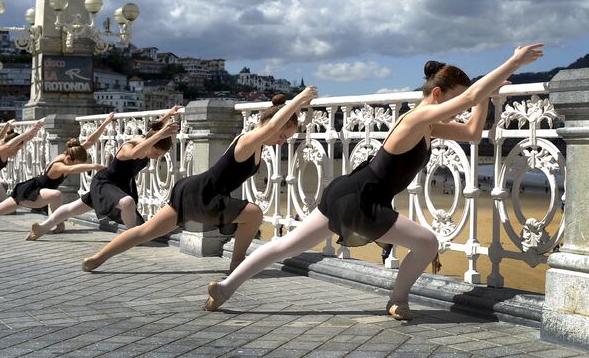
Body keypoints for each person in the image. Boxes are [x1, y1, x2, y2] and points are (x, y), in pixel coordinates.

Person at [202, 44, 544, 319]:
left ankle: (226, 287)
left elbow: (471, 133)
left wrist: (483, 95)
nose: (458, 107)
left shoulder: (425, 125)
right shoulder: (417, 117)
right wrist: (512, 62)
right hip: (362, 199)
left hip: (346, 191)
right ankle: (398, 300)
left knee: (286, 246)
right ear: (437, 94)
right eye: (453, 100)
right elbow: (468, 101)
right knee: (426, 243)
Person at [81, 89, 316, 273]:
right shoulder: (249, 141)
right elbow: (274, 124)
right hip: (205, 194)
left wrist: (301, 108)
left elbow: (276, 124)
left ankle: (97, 258)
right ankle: (237, 265)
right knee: (254, 213)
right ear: (272, 126)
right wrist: (299, 98)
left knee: (145, 231)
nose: (283, 141)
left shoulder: (254, 139)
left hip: (192, 189)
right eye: (284, 136)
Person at [25, 109, 175, 241]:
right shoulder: (129, 147)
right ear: (152, 143)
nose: (156, 157)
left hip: (119, 185)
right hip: (105, 183)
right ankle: (132, 238)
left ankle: (42, 228)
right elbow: (136, 153)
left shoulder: (147, 140)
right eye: (156, 153)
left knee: (74, 208)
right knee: (127, 203)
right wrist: (161, 134)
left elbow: (153, 130)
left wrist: (168, 115)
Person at [0, 138, 105, 231]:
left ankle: (58, 224)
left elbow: (88, 142)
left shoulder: (70, 154)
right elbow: (72, 169)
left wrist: (105, 122)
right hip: (32, 191)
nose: (82, 165)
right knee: (55, 195)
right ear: (70, 158)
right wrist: (94, 166)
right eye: (81, 163)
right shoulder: (59, 165)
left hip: (35, 190)